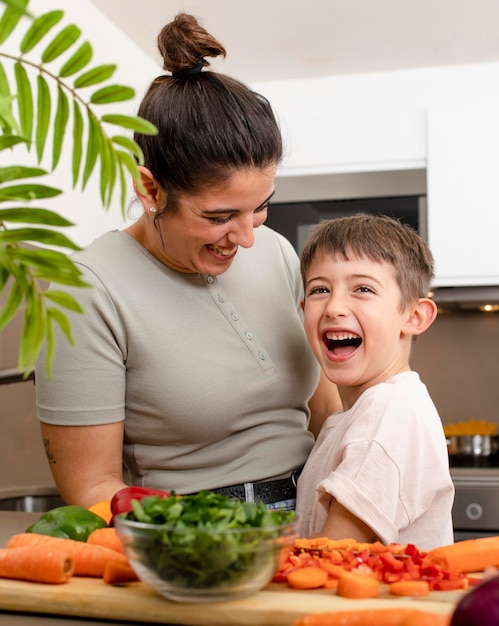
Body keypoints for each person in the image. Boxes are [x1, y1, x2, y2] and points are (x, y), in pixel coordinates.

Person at [34, 13, 340, 511]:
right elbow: (93, 490)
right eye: (220, 215)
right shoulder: (86, 291)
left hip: (319, 511)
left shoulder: (278, 252)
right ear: (150, 188)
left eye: (260, 206)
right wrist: (204, 545)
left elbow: (324, 408)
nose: (246, 237)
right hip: (196, 533)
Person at [295, 213, 454, 549]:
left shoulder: (389, 410)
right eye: (320, 289)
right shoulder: (356, 413)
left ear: (414, 316)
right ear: (302, 309)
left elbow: (335, 554)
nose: (334, 307)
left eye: (363, 289)